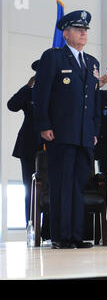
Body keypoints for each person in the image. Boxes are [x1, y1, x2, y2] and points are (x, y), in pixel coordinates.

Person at [33, 10, 101, 249]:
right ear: (66, 34)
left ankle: (75, 235)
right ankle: (61, 236)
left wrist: (95, 130)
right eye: (78, 29)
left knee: (78, 186)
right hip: (59, 133)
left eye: (85, 30)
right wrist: (44, 125)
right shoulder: (53, 57)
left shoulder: (92, 62)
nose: (83, 33)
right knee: (62, 185)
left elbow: (94, 99)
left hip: (84, 135)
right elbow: (40, 94)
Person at [7, 60, 43, 227]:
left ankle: (50, 231)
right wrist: (27, 87)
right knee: (29, 189)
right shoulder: (29, 91)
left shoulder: (57, 92)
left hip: (50, 146)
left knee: (50, 188)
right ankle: (32, 227)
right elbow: (12, 105)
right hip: (28, 145)